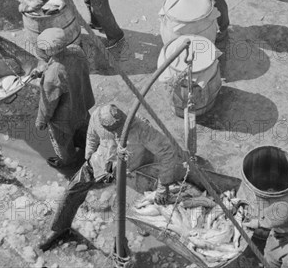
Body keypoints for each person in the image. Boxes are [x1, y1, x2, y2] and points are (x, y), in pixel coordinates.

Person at [39, 103, 184, 251]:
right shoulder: (97, 116)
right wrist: (89, 157)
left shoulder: (141, 128)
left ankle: (140, 229)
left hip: (133, 169)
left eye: (118, 130)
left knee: (136, 207)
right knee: (72, 190)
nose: (116, 135)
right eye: (111, 132)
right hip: (102, 161)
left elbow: (167, 152)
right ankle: (60, 228)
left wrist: (163, 185)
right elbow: (91, 136)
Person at [32, 28, 95, 169]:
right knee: (84, 129)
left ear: (49, 51)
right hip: (82, 102)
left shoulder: (52, 77)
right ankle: (90, 150)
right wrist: (44, 70)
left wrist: (41, 121)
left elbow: (47, 104)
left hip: (63, 117)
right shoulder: (76, 50)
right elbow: (66, 67)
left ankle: (68, 160)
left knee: (62, 141)